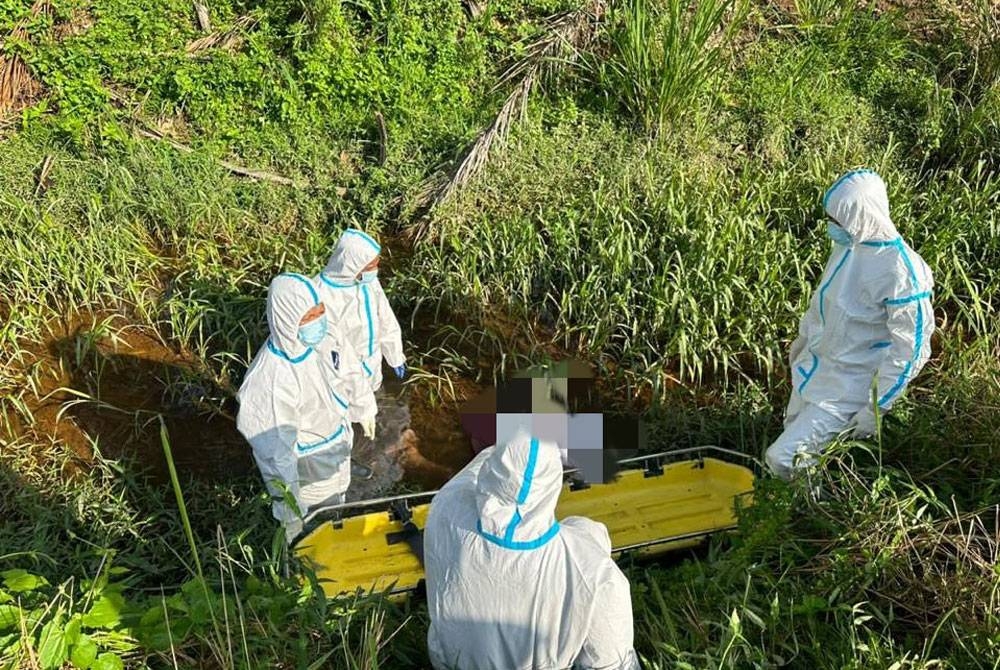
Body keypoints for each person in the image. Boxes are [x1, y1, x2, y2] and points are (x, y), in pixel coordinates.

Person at [765, 170, 935, 480]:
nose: (832, 227)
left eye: (837, 221)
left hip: (848, 390)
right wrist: (799, 351)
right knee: (804, 461)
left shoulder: (902, 272)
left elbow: (912, 350)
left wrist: (875, 408)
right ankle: (804, 516)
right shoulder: (849, 248)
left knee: (782, 459)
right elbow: (826, 308)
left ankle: (783, 515)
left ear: (860, 215)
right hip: (815, 373)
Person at [424, 432, 640, 670]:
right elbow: (611, 661)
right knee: (590, 531)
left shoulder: (447, 506)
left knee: (583, 531)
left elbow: (483, 472)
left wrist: (517, 442)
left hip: (450, 662)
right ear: (553, 482)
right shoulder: (596, 574)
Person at [236, 273, 361, 543]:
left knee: (339, 496)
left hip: (337, 439)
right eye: (307, 318)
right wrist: (289, 511)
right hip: (309, 462)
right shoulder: (270, 380)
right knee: (317, 514)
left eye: (320, 312)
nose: (318, 321)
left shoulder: (319, 341)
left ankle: (335, 526)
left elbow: (347, 369)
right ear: (287, 320)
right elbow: (276, 456)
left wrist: (364, 407)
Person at [315, 228, 406, 443]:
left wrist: (395, 355)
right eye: (372, 265)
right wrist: (361, 403)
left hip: (371, 364)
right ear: (352, 266)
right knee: (347, 414)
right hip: (343, 373)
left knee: (374, 399)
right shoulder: (320, 296)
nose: (376, 269)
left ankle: (374, 432)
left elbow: (385, 317)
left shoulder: (366, 282)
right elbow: (336, 356)